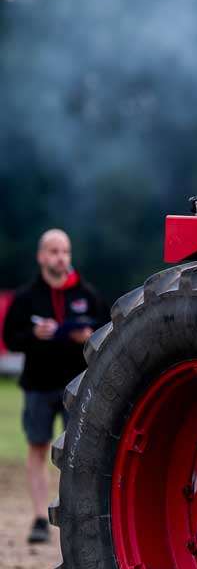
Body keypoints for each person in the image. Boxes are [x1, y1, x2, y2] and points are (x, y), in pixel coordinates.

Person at [1, 229, 106, 543]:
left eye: (65, 251)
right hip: (37, 385)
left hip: (77, 390)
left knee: (78, 455)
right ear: (41, 256)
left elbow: (106, 337)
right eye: (54, 251)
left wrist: (86, 337)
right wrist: (35, 336)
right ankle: (38, 519)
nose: (61, 257)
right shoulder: (25, 297)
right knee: (37, 448)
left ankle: (76, 521)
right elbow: (9, 339)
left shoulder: (88, 295)